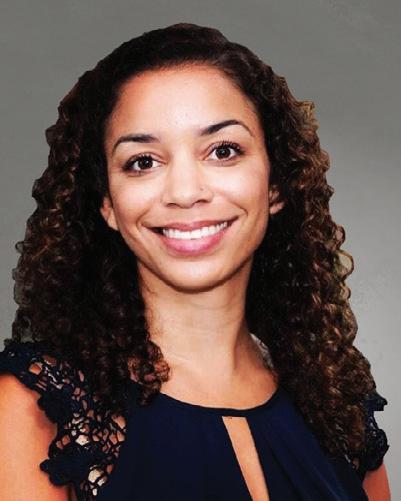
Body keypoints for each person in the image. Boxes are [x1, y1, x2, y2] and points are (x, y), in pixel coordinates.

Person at [0, 22, 390, 501]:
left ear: (275, 184)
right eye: (143, 161)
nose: (185, 193)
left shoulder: (337, 404)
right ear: (107, 204)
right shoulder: (37, 406)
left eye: (223, 151)